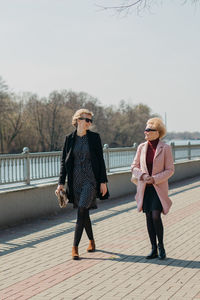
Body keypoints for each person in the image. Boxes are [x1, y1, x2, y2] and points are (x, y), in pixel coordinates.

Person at [56, 108, 108, 260]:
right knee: (84, 213)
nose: (89, 123)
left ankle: (75, 247)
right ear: (78, 120)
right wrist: (61, 183)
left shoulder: (94, 138)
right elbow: (63, 162)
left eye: (91, 121)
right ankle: (92, 241)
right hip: (75, 181)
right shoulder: (69, 138)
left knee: (80, 211)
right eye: (87, 120)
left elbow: (101, 160)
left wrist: (103, 181)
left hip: (90, 180)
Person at [131, 117, 174, 260]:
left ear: (158, 132)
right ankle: (153, 248)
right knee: (149, 217)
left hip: (158, 188)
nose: (146, 131)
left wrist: (155, 178)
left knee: (156, 216)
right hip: (145, 188)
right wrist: (143, 175)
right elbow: (134, 166)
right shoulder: (141, 147)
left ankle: (161, 246)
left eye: (149, 129)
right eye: (146, 129)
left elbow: (170, 170)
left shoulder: (165, 148)